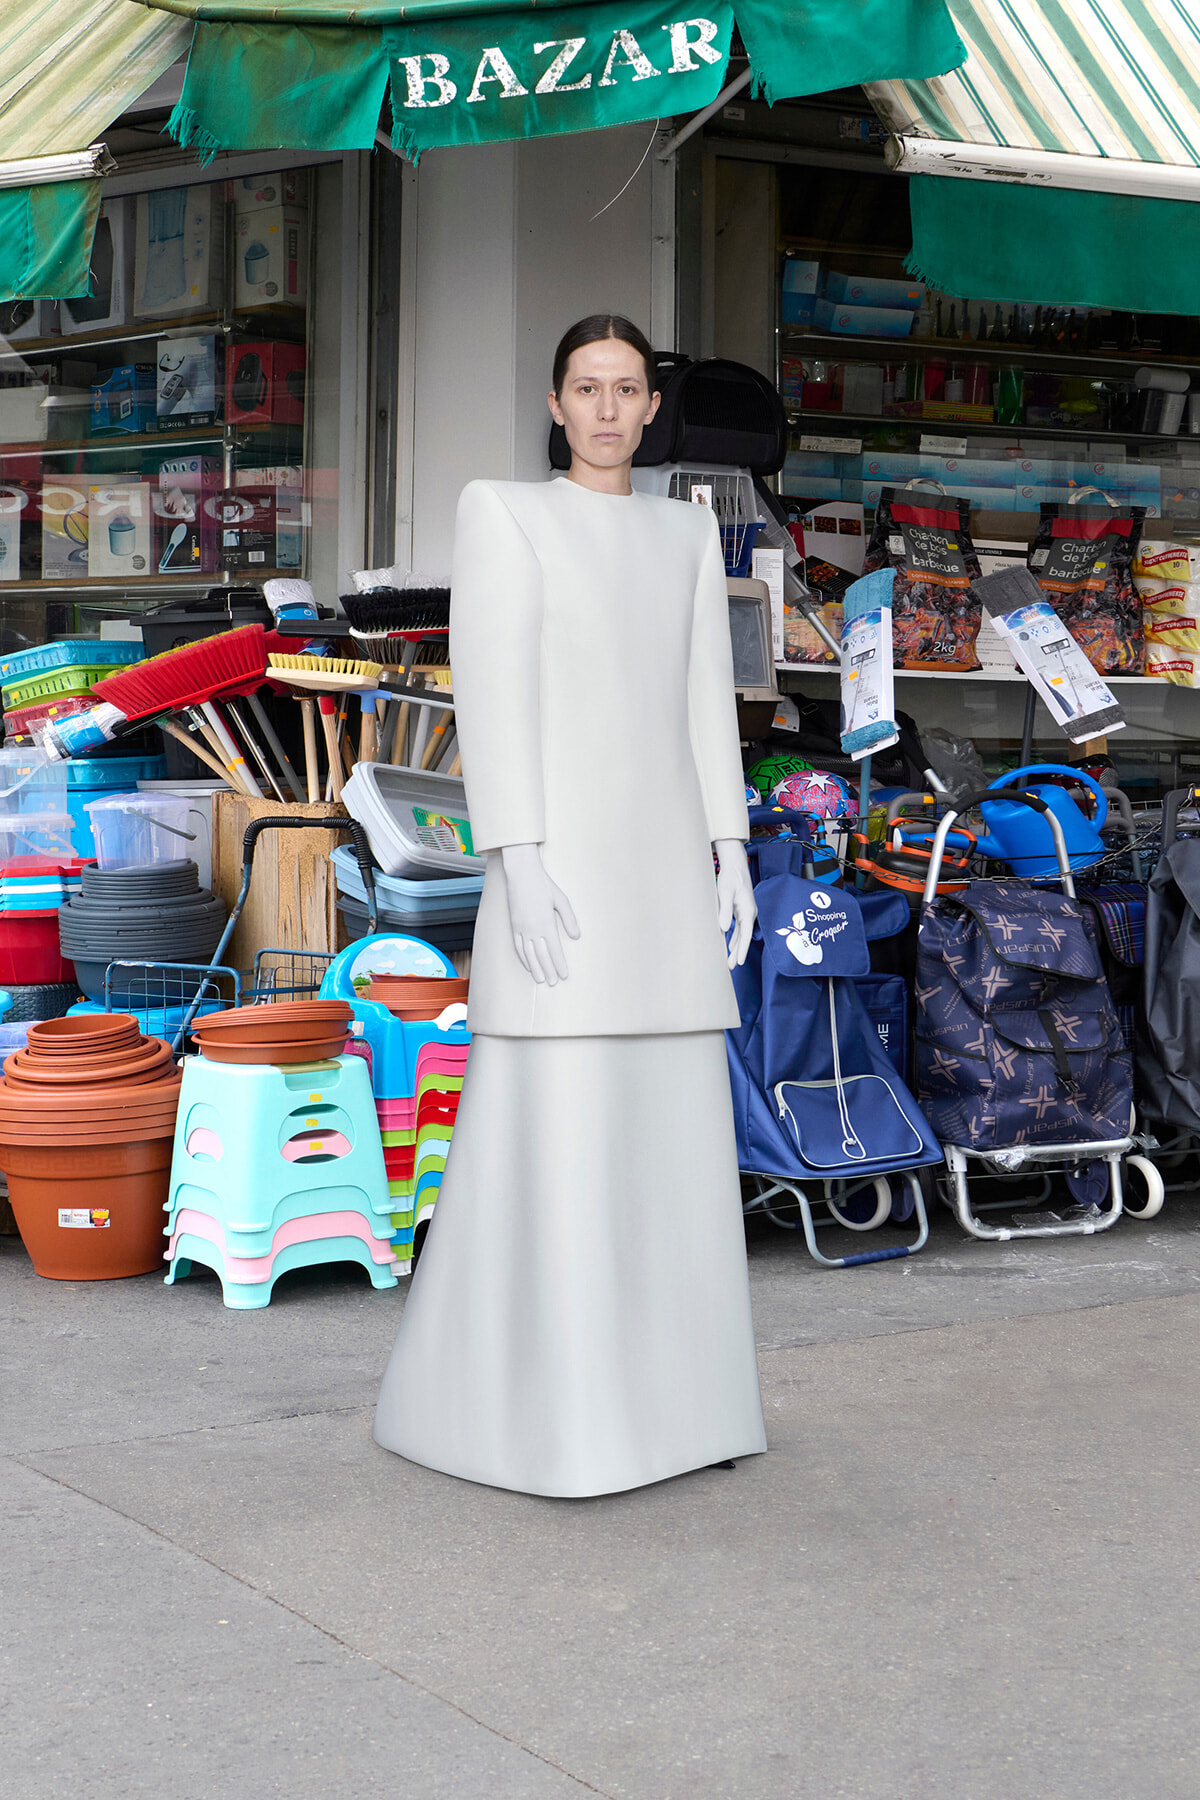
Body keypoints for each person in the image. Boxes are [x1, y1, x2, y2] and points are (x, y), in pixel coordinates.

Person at [373, 313, 767, 1497]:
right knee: (558, 1130)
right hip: (561, 873)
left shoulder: (687, 534)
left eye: (627, 388)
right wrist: (516, 854)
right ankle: (543, 1417)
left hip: (663, 872)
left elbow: (707, 698)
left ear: (654, 408)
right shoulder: (504, 512)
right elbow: (489, 691)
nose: (606, 408)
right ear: (556, 403)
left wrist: (731, 843)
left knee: (668, 1142)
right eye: (586, 388)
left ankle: (683, 1408)